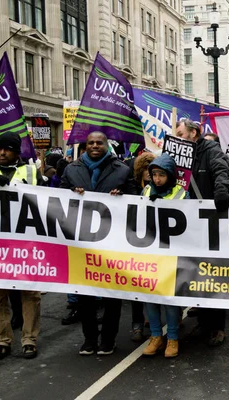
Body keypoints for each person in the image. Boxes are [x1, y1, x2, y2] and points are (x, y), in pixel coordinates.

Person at [60, 131, 137, 356]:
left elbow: (135, 201)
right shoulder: (72, 169)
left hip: (112, 243)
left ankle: (108, 340)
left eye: (99, 143)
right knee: (85, 296)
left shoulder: (122, 170)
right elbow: (57, 198)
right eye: (91, 143)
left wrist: (121, 195)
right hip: (82, 242)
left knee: (113, 295)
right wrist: (72, 194)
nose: (95, 146)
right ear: (86, 145)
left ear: (106, 145)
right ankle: (89, 339)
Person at [0, 131, 45, 361]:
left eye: (7, 149)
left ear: (17, 151)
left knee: (29, 294)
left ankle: (29, 340)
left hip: (24, 242)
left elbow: (43, 200)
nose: (2, 153)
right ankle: (2, 340)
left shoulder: (31, 171)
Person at [175, 119, 229, 347]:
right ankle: (204, 323)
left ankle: (217, 327)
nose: (177, 139)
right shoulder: (180, 156)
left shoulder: (210, 150)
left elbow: (221, 171)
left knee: (214, 275)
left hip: (211, 221)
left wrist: (220, 192)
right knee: (196, 276)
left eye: (180, 134)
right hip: (190, 224)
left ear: (194, 133)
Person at [141, 153, 189, 358]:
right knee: (150, 296)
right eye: (154, 175)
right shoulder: (146, 190)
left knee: (169, 297)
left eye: (161, 175)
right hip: (150, 252)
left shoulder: (182, 194)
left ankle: (172, 338)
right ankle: (155, 336)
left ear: (170, 175)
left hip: (172, 253)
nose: (157, 179)